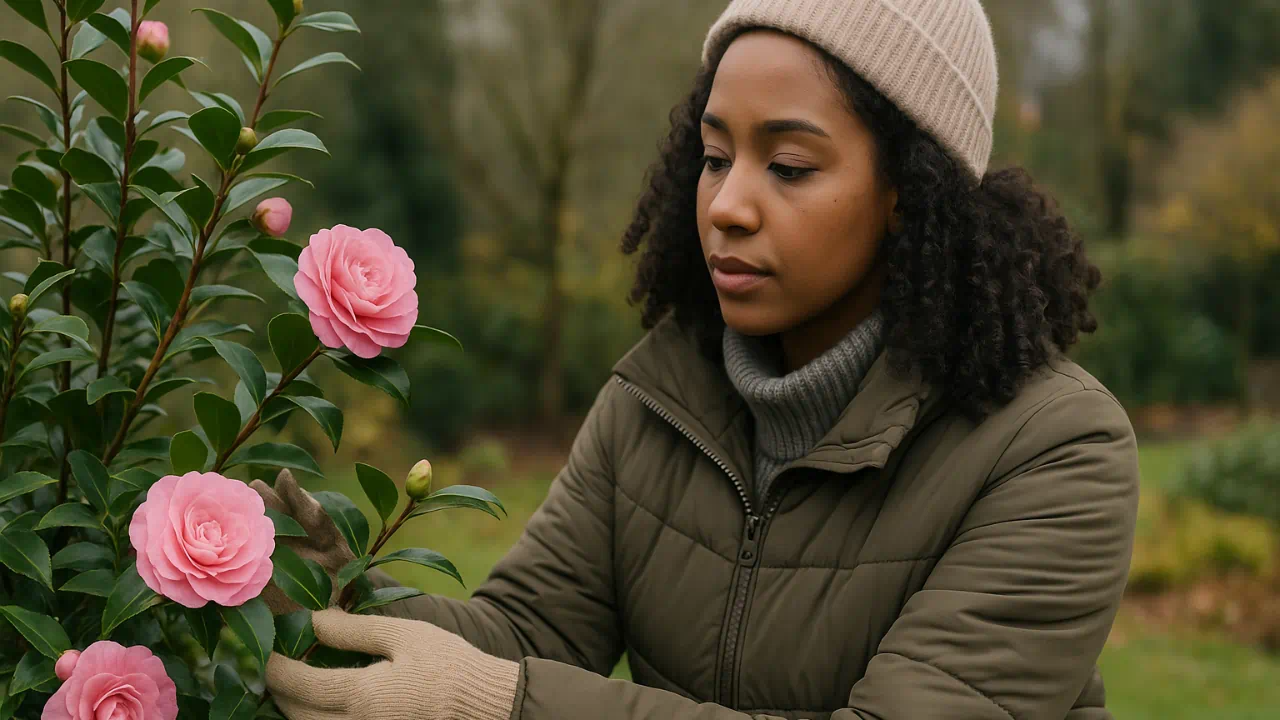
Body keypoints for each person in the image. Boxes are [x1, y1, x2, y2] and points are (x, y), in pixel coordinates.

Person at [253, 0, 1141, 718]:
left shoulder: (1052, 450)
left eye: (789, 166)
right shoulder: (662, 396)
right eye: (715, 157)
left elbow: (506, 689)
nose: (726, 206)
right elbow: (526, 633)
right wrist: (335, 588)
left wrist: (505, 707)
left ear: (913, 193)